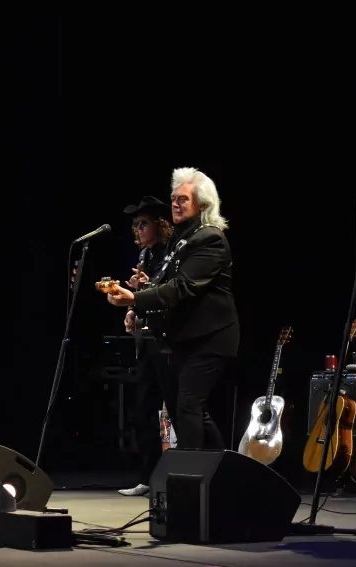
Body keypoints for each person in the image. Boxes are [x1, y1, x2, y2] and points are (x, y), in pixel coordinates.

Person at [107, 167, 239, 451]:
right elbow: (163, 282)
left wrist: (134, 299)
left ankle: (190, 473)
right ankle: (225, 469)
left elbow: (182, 287)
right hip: (185, 338)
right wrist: (136, 305)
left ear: (202, 204)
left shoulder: (210, 238)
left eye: (183, 199)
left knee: (188, 405)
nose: (176, 204)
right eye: (174, 199)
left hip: (210, 338)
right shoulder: (182, 239)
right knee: (191, 410)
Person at [117, 196, 174, 497]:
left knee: (177, 409)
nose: (138, 230)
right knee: (142, 411)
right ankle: (148, 477)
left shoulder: (172, 253)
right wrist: (132, 310)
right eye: (135, 225)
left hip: (168, 342)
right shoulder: (145, 255)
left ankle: (183, 476)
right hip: (148, 342)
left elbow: (172, 293)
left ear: (160, 224)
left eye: (144, 223)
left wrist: (145, 287)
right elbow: (144, 297)